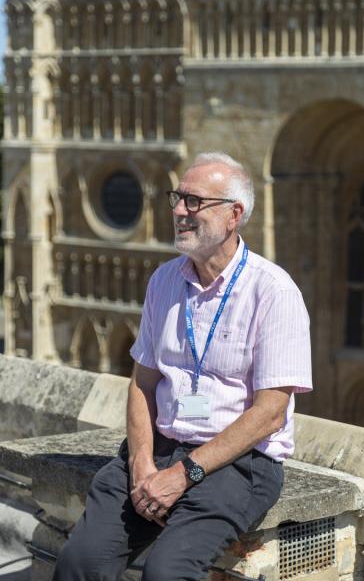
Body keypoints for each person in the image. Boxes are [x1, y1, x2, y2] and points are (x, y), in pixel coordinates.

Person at [54, 152, 312, 581]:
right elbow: (142, 382)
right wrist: (141, 464)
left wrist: (185, 473)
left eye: (194, 201)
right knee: (79, 563)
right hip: (158, 449)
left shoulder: (274, 291)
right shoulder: (165, 280)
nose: (177, 210)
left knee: (167, 573)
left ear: (234, 215)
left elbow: (270, 413)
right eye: (178, 198)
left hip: (238, 464)